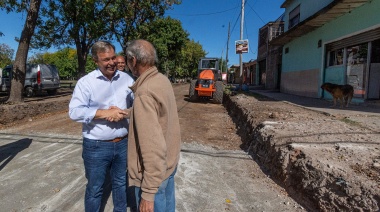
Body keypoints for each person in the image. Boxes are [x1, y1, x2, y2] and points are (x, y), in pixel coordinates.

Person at [69, 41, 134, 212]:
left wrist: (126, 112)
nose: (112, 62)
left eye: (113, 57)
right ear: (95, 61)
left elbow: (138, 105)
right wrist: (104, 113)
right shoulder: (86, 83)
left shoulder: (127, 79)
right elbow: (74, 112)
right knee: (95, 189)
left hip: (122, 143)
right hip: (96, 146)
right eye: (106, 59)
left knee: (120, 183)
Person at [125, 39, 181, 212]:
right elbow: (160, 116)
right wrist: (129, 112)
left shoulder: (144, 92)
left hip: (153, 177)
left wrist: (148, 193)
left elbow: (152, 147)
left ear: (133, 60)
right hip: (168, 165)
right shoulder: (161, 80)